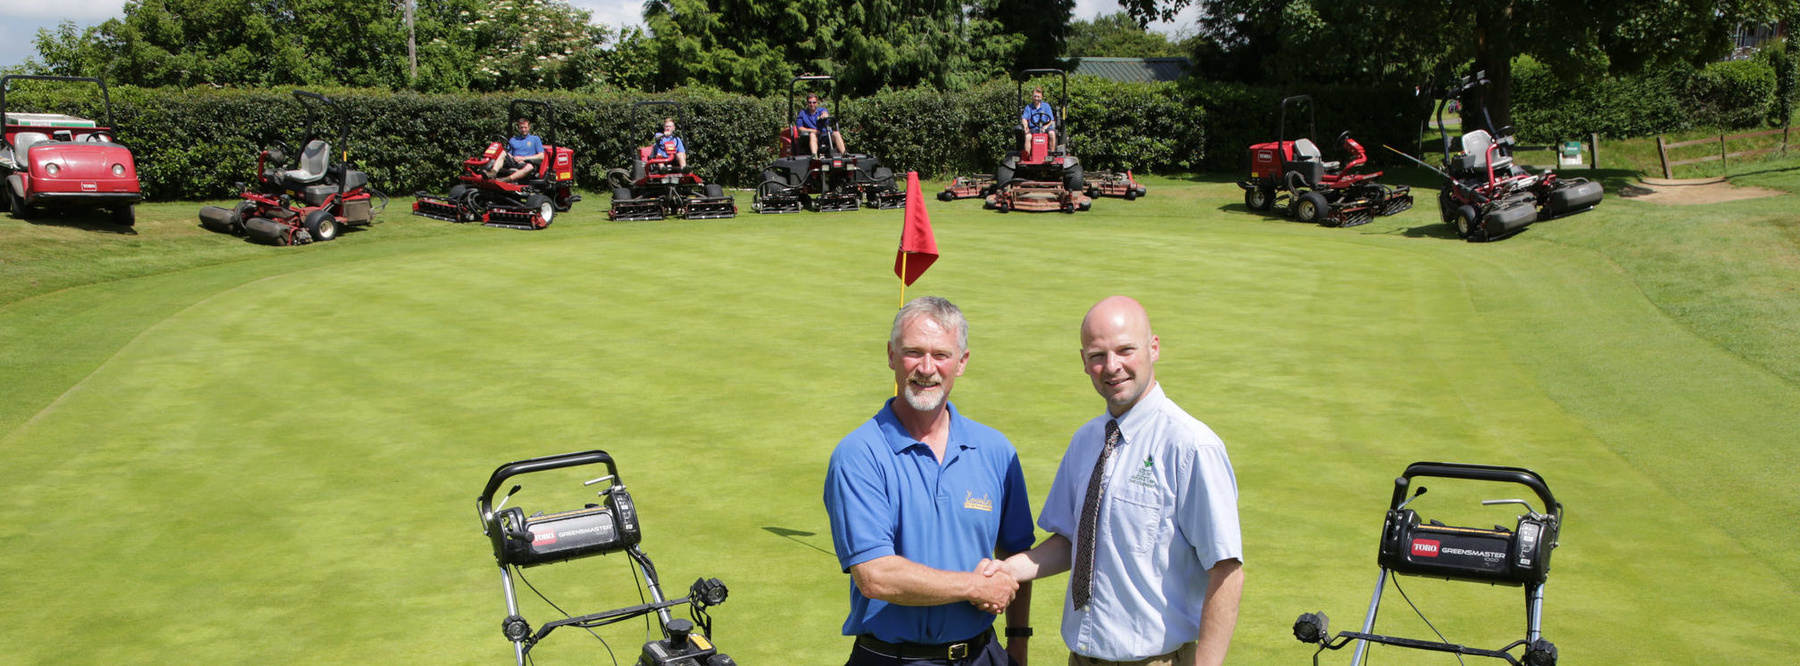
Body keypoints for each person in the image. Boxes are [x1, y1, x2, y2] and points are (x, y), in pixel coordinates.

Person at [982, 296, 1243, 666]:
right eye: (1098, 355)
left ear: (1154, 348)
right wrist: (1008, 570)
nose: (1112, 366)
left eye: (1125, 350)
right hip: (1081, 658)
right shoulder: (1086, 441)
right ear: (1084, 363)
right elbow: (1073, 540)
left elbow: (1227, 570)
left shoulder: (1190, 446)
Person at [825, 296, 1037, 666]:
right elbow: (876, 577)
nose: (927, 368)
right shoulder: (859, 454)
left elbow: (1015, 554)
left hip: (984, 654)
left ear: (962, 362)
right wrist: (974, 586)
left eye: (941, 354)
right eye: (913, 353)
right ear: (891, 356)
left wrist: (1018, 643)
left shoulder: (995, 449)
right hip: (892, 658)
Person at [486, 116, 544, 183]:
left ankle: (507, 179)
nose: (523, 129)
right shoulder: (513, 140)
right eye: (521, 128)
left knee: (529, 167)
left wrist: (524, 158)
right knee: (503, 152)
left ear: (529, 127)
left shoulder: (535, 139)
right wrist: (513, 157)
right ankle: (493, 173)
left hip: (526, 163)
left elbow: (541, 156)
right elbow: (509, 153)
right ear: (519, 128)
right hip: (514, 162)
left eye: (525, 127)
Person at [1019, 87, 1057, 154]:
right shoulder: (1028, 107)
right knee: (1027, 137)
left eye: (1038, 97)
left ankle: (1052, 153)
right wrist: (1025, 126)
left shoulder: (1046, 106)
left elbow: (1051, 119)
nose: (1036, 98)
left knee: (1052, 134)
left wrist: (1045, 127)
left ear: (1041, 96)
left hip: (1045, 128)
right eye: (1035, 96)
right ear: (1032, 96)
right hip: (1033, 128)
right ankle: (1027, 156)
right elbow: (1024, 118)